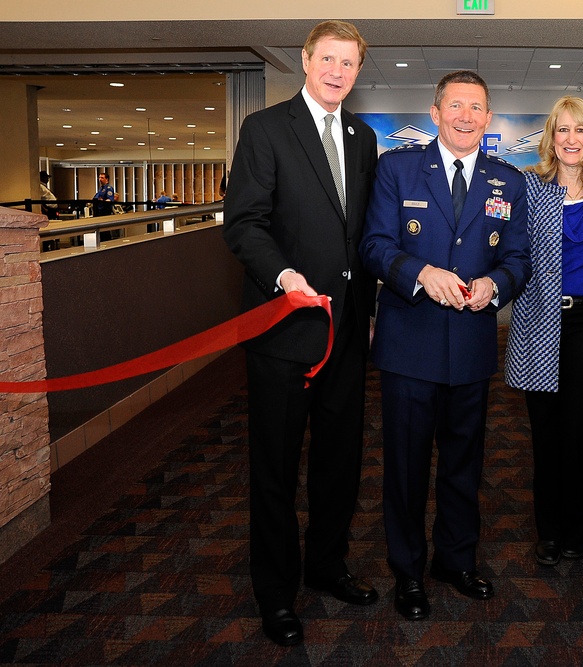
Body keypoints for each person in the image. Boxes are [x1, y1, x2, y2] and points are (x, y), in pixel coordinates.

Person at [222, 19, 379, 647]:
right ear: (307, 60)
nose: (338, 71)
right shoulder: (265, 129)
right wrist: (283, 274)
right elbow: (244, 224)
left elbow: (360, 239)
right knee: (276, 469)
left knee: (340, 462)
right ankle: (277, 591)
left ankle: (326, 564)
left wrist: (365, 313)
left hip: (344, 334)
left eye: (350, 64)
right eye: (329, 59)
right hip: (284, 331)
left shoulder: (365, 139)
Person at [361, 70, 531, 621]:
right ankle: (407, 571)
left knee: (465, 464)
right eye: (455, 105)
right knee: (407, 469)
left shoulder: (510, 180)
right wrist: (418, 273)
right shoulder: (397, 167)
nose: (465, 116)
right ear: (435, 113)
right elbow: (375, 246)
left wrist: (495, 285)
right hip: (409, 344)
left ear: (487, 118)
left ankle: (455, 561)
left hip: (473, 346)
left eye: (476, 108)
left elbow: (518, 260)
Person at [504, 96, 583, 567]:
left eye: (581, 131)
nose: (572, 139)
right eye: (563, 131)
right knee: (546, 433)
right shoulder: (530, 189)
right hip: (540, 320)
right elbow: (511, 251)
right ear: (551, 139)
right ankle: (549, 530)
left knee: (580, 433)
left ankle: (578, 527)